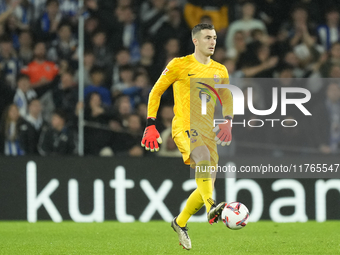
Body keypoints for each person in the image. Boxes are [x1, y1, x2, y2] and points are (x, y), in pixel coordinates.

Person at [140, 23, 233, 250]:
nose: (212, 42)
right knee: (202, 160)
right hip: (184, 126)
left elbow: (227, 96)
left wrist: (228, 121)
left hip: (207, 131)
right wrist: (150, 123)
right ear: (196, 41)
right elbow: (156, 90)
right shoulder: (179, 65)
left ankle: (179, 223)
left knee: (206, 185)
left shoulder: (220, 70)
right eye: (208, 37)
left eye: (214, 38)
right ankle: (212, 206)